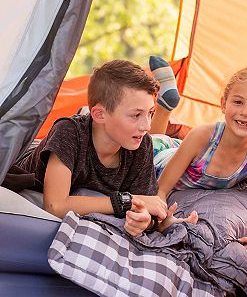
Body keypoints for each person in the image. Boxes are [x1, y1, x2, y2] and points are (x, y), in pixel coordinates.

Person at [8, 57, 185, 236]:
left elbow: (146, 205)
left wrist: (144, 220)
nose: (146, 126)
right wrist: (126, 201)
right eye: (136, 115)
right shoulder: (68, 132)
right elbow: (55, 206)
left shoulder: (141, 145)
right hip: (28, 163)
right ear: (99, 114)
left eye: (150, 114)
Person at [157, 67, 247, 261]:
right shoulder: (202, 136)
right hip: (160, 160)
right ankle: (164, 105)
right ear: (223, 104)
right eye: (238, 102)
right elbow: (160, 190)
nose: (246, 112)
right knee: (147, 144)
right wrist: (164, 219)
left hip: (182, 156)